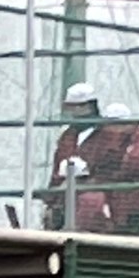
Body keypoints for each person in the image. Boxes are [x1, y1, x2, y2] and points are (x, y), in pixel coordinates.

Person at [46, 81, 100, 229]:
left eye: (79, 107)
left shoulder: (105, 135)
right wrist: (50, 202)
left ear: (90, 106)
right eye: (72, 108)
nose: (75, 112)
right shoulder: (67, 136)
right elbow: (56, 169)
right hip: (63, 202)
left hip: (91, 205)